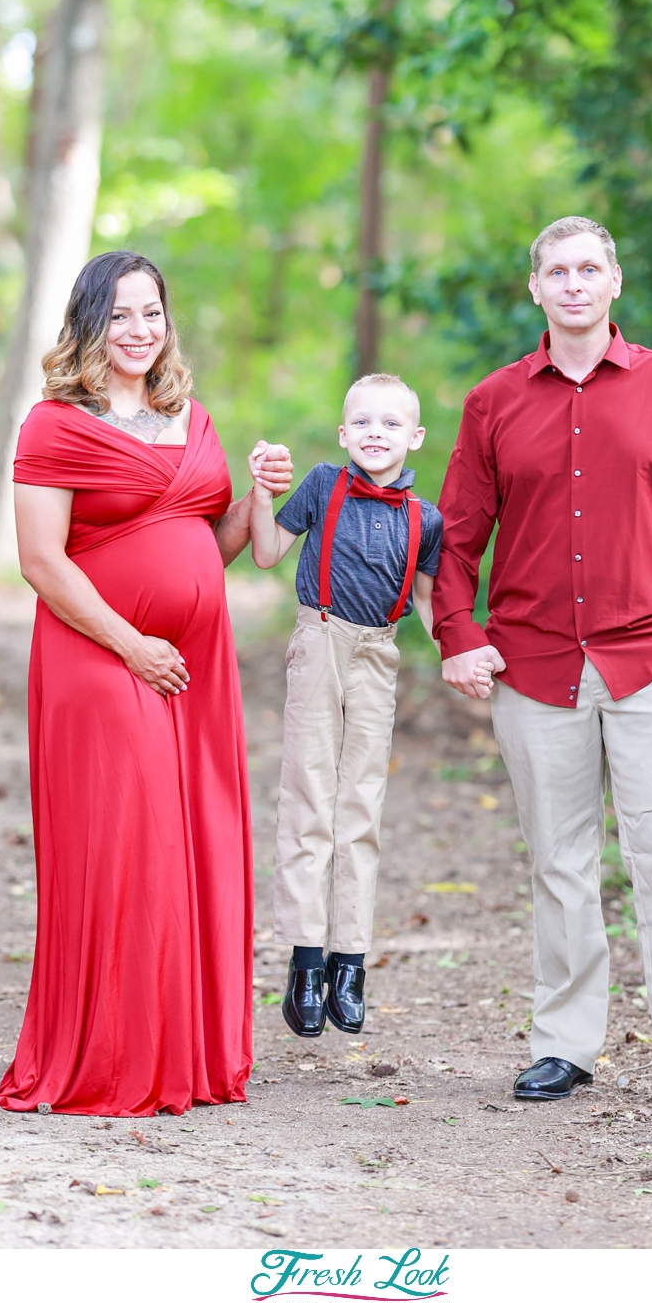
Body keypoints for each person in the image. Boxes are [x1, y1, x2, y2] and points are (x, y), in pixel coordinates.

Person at [434, 217, 652, 1114]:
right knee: (560, 862)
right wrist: (457, 632)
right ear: (534, 288)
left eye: (589, 268)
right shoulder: (494, 401)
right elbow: (458, 540)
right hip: (535, 667)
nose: (573, 283)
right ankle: (565, 1046)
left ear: (615, 281)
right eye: (556, 270)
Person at [0, 251, 292, 1117]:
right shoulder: (53, 424)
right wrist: (132, 646)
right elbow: (41, 560)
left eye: (151, 312)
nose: (139, 330)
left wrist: (255, 500)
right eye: (119, 315)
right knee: (130, 847)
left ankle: (181, 1055)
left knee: (194, 846)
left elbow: (211, 546)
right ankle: (116, 1058)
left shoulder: (189, 416)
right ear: (89, 323)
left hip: (192, 664)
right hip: (99, 655)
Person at [249, 374, 443, 1038]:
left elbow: (431, 604)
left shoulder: (426, 519)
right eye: (362, 423)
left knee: (360, 806)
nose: (375, 434)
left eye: (390, 425)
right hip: (321, 635)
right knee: (309, 795)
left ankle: (349, 960)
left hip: (378, 655)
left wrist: (469, 652)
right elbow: (268, 550)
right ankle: (305, 959)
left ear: (414, 437)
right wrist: (260, 492)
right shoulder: (322, 486)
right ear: (343, 433)